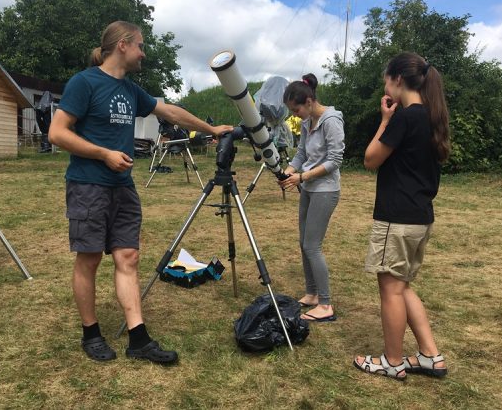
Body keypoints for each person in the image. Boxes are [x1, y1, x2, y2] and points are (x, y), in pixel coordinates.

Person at [49, 21, 233, 364]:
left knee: (128, 258)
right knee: (88, 260)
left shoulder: (131, 90)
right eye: (140, 46)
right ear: (122, 45)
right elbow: (57, 133)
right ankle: (91, 333)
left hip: (123, 188)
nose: (143, 53)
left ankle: (138, 338)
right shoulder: (84, 82)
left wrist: (210, 129)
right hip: (88, 186)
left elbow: (170, 111)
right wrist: (103, 153)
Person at [353, 52, 450, 380]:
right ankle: (430, 356)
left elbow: (370, 159)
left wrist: (384, 120)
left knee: (391, 290)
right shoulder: (430, 116)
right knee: (403, 287)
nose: (385, 84)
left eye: (385, 78)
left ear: (397, 79)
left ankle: (392, 361)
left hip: (397, 218)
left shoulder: (406, 117)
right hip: (420, 217)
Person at [278, 73, 345, 323]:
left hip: (325, 190)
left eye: (296, 110)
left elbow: (335, 160)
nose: (295, 115)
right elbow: (302, 154)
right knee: (303, 242)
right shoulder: (307, 123)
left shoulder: (331, 120)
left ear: (308, 101)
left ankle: (326, 305)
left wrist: (303, 177)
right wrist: (288, 171)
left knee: (312, 246)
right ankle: (312, 294)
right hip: (308, 188)